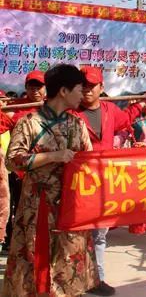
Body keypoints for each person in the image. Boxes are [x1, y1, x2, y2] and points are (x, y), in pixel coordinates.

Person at [3, 64, 98, 296]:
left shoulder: (76, 124)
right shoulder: (29, 123)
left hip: (70, 206)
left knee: (68, 261)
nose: (82, 94)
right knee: (37, 260)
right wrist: (52, 156)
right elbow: (13, 161)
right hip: (38, 207)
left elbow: (90, 160)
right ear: (64, 91)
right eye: (78, 88)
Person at [72, 66, 146, 296]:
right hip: (77, 185)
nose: (88, 90)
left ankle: (97, 278)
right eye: (84, 86)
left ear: (102, 88)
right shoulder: (70, 113)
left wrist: (143, 102)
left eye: (93, 86)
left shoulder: (110, 110)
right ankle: (73, 279)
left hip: (104, 184)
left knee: (100, 234)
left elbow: (128, 117)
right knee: (75, 235)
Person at [1, 70, 46, 255]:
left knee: (43, 213)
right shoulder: (17, 108)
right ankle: (17, 246)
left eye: (39, 86)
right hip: (22, 172)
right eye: (31, 85)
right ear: (26, 87)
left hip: (47, 171)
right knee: (20, 210)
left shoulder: (54, 107)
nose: (35, 90)